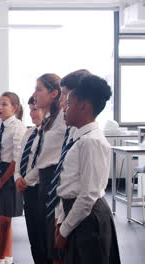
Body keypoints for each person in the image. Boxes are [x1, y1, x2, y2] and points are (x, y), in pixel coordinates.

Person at [55, 74, 121, 264]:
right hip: (75, 213)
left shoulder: (92, 141)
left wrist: (64, 230)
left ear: (83, 106)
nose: (65, 109)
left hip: (89, 217)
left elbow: (88, 195)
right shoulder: (78, 137)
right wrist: (61, 219)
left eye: (69, 104)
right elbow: (68, 183)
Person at [0, 92, 26, 264]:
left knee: (5, 220)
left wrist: (1, 182)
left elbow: (16, 159)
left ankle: (0, 259)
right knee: (2, 218)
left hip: (8, 175)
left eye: (4, 104)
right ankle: (7, 257)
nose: (0, 108)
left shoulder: (18, 127)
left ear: (14, 108)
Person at [31, 73, 65, 264]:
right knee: (45, 234)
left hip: (54, 179)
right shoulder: (49, 117)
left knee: (54, 236)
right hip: (44, 178)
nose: (34, 94)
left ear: (53, 93)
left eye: (38, 89)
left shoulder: (63, 118)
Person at [14, 96, 45, 264]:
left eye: (36, 109)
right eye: (31, 110)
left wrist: (24, 180)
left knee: (43, 236)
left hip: (40, 187)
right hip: (27, 189)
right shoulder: (29, 132)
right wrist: (18, 177)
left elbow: (43, 163)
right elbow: (20, 158)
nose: (33, 113)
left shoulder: (49, 134)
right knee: (33, 235)